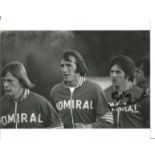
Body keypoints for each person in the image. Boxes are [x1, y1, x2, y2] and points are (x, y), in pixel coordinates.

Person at [50, 49, 113, 128]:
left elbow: (108, 121)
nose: (64, 70)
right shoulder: (55, 91)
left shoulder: (94, 89)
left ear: (79, 67)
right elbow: (53, 121)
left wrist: (87, 127)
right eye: (62, 66)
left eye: (69, 65)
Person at [0, 61, 63, 128]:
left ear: (22, 81)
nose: (5, 85)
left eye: (10, 81)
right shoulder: (1, 104)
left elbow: (58, 126)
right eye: (4, 81)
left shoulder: (40, 102)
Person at [103, 55, 150, 128]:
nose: (113, 75)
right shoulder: (103, 94)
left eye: (118, 72)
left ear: (128, 74)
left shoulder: (143, 96)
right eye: (111, 72)